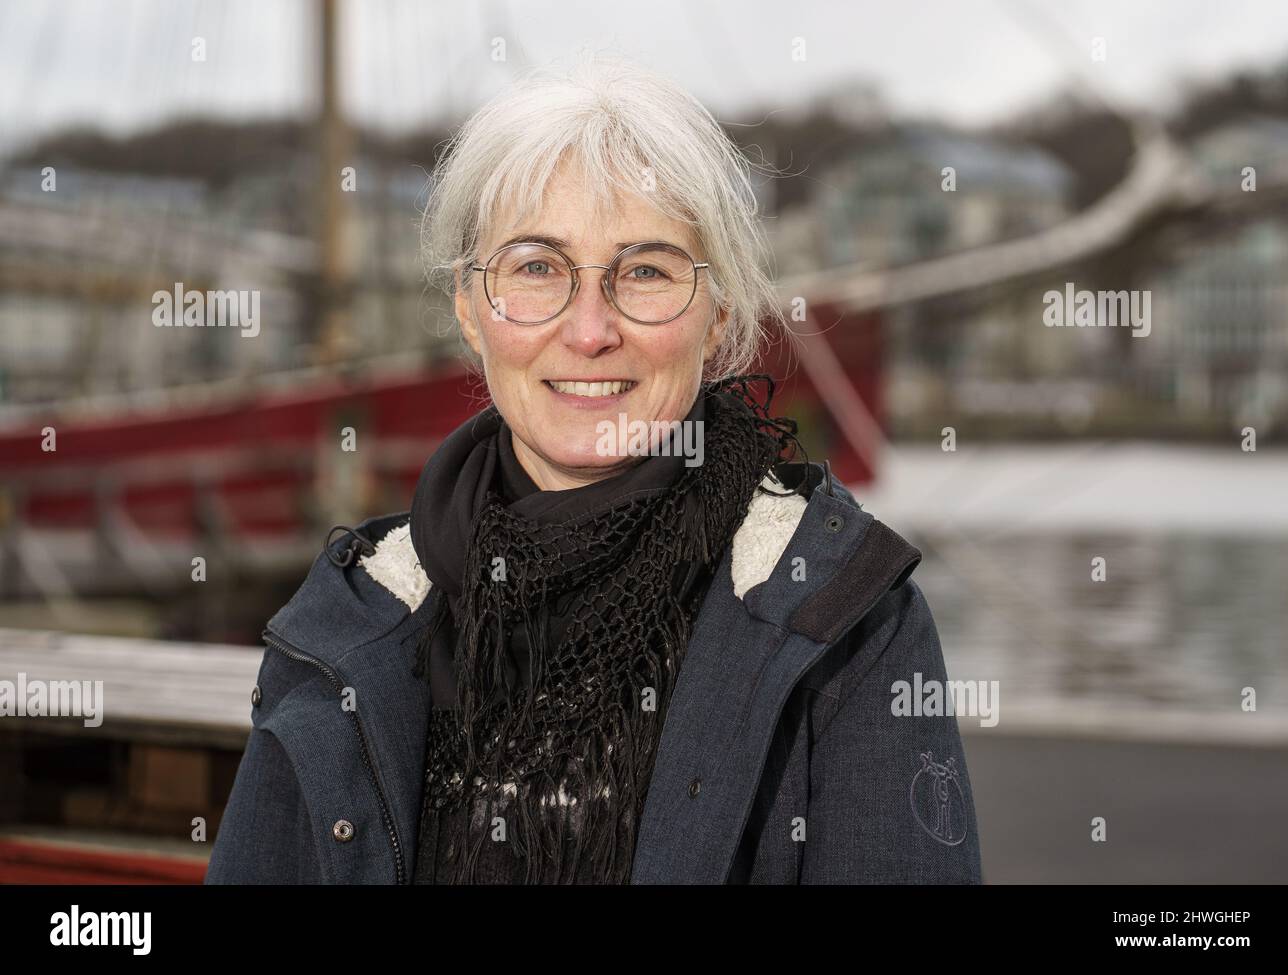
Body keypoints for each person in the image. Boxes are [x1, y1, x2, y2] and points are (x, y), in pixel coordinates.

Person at [205, 52, 981, 885]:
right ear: (471, 308)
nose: (588, 330)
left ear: (717, 316)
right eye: (537, 267)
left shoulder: (849, 620)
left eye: (644, 271)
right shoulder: (346, 620)